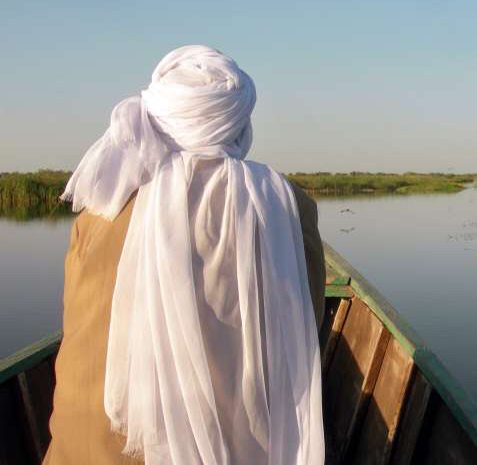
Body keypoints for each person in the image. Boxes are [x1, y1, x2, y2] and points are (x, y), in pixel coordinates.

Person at [43, 46, 325, 465]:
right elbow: (307, 330)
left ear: (157, 121)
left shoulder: (102, 204)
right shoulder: (286, 205)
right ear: (238, 123)